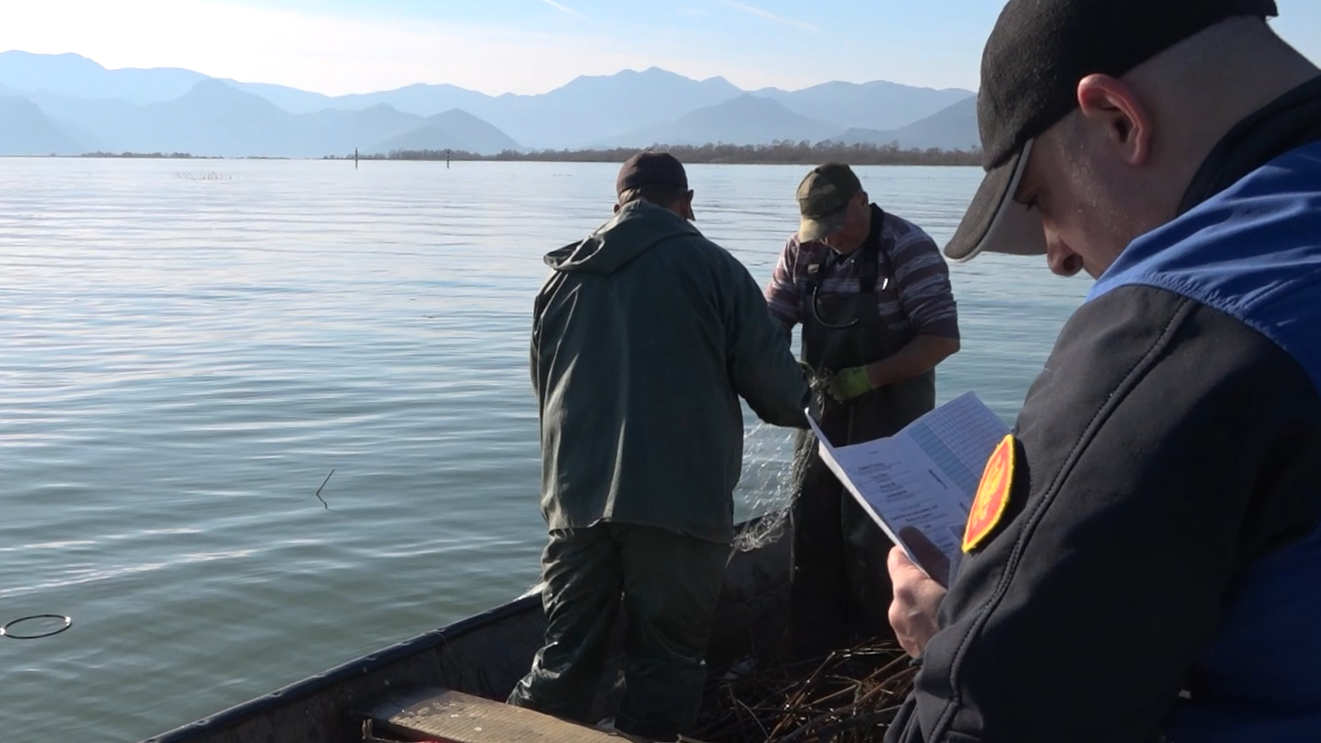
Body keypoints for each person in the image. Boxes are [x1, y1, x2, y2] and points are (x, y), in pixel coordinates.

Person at [883, 1, 1321, 742]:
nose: (1055, 255)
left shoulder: (1184, 327)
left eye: (1040, 200)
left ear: (1117, 118)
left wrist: (957, 641)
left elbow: (1001, 720)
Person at [507, 151, 813, 742]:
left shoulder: (561, 280)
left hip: (574, 503)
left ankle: (508, 733)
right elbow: (780, 397)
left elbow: (543, 391)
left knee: (563, 660)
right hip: (679, 508)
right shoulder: (714, 269)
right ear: (686, 202)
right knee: (665, 667)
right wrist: (825, 393)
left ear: (617, 203)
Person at [763, 162, 961, 656]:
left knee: (882, 537)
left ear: (861, 201)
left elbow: (941, 339)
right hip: (821, 418)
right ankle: (815, 645)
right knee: (813, 524)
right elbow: (770, 324)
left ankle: (885, 649)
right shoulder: (802, 250)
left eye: (837, 223)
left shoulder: (906, 248)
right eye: (819, 228)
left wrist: (869, 377)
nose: (829, 237)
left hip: (894, 420)